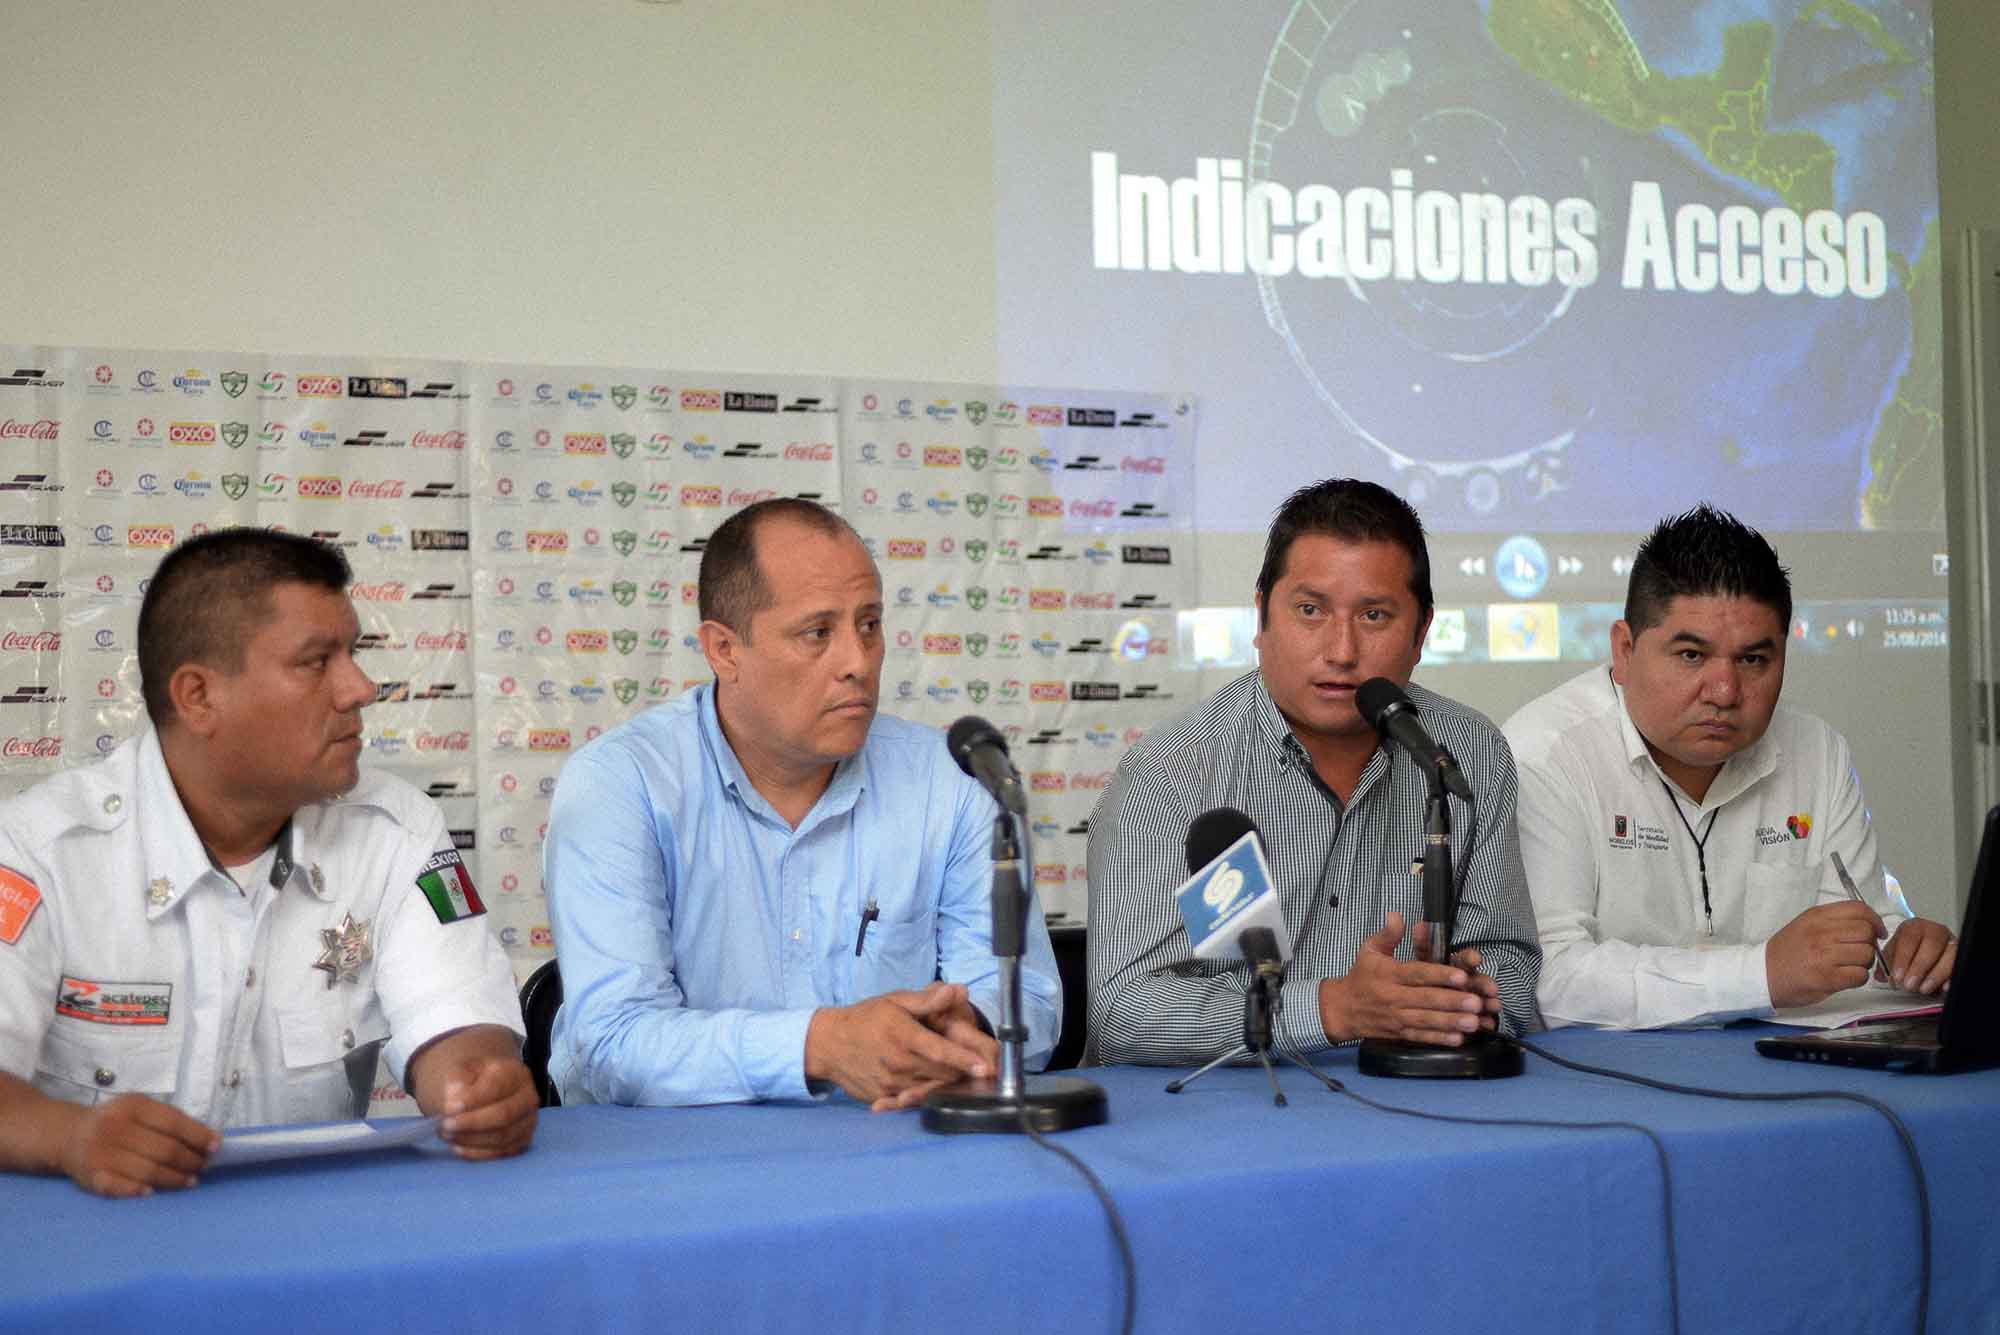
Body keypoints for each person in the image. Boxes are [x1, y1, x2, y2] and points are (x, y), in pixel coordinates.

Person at [0, 530, 535, 1198]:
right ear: (198, 696)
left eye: (354, 652)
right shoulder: (39, 852)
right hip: (95, 1254)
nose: (361, 688)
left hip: (311, 1251)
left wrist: (476, 1088)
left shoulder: (399, 832)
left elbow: (457, 1027)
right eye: (317, 661)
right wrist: (71, 1137)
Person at [544, 498, 1061, 1109]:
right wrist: (818, 1046)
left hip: (892, 1152)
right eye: (819, 633)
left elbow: (1027, 996)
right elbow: (613, 1042)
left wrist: (962, 1034)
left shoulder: (951, 782)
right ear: (724, 650)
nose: (858, 662)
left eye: (869, 625)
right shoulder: (622, 785)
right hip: (671, 1173)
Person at [1087, 479, 1541, 1065]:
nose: (1341, 650)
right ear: (1261, 616)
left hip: (1410, 1102)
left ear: (1422, 632)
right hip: (1221, 1118)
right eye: (1310, 610)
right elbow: (1123, 1013)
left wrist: (1468, 996)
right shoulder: (1177, 770)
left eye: (1375, 616)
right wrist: (1335, 1009)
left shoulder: (1462, 754)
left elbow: (1517, 979)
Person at [1503, 505, 1958, 1030]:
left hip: (1786, 1074)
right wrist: (1762, 973)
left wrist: (1906, 956)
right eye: (1692, 655)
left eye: (1753, 661)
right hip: (1603, 1086)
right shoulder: (1544, 754)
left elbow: (1862, 943)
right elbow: (1549, 982)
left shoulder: (1817, 751)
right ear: (1624, 651)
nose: (1724, 693)